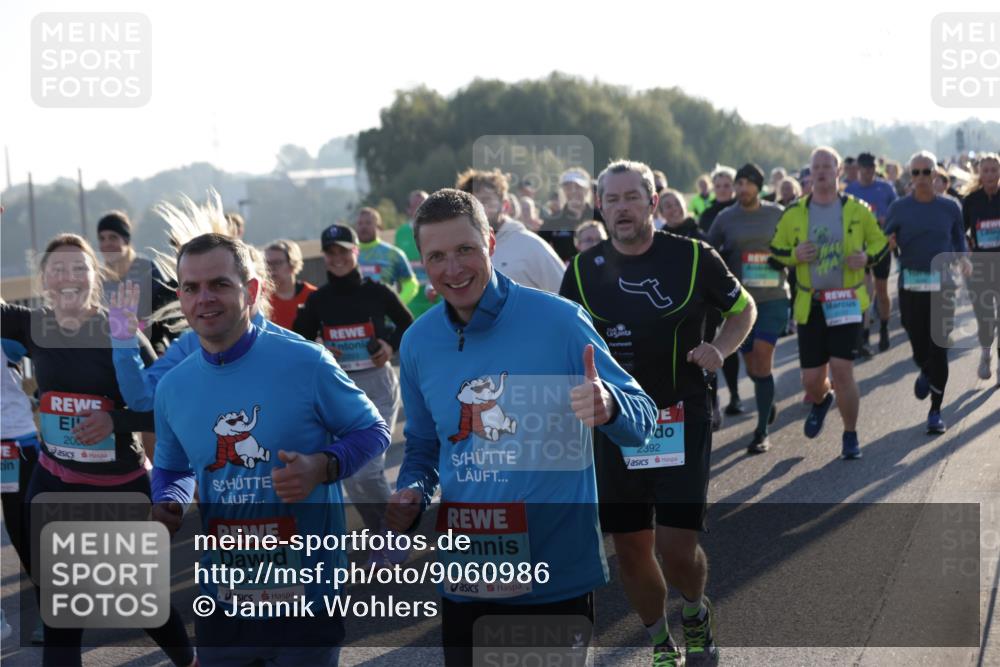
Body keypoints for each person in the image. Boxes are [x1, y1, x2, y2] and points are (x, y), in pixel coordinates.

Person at [383, 188, 656, 667]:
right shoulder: (418, 342)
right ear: (422, 262)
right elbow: (425, 446)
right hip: (468, 573)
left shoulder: (559, 321)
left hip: (552, 572)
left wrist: (609, 405)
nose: (453, 269)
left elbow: (644, 417)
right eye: (437, 256)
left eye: (465, 249)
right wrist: (411, 490)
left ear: (490, 243)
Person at [151, 233, 390, 667]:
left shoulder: (306, 361)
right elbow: (173, 468)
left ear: (253, 290)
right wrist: (168, 500)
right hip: (224, 601)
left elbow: (373, 430)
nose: (204, 298)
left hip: (306, 597)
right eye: (191, 288)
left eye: (219, 284)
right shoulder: (173, 387)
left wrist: (323, 465)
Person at [560, 160, 755, 666]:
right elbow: (558, 341)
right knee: (630, 548)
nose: (622, 208)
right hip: (616, 421)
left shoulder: (692, 258)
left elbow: (743, 308)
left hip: (679, 417)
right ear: (600, 207)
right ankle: (660, 643)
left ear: (652, 201)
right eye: (612, 199)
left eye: (632, 197)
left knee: (674, 547)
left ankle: (694, 608)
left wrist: (720, 347)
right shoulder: (582, 271)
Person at [1, 234, 195, 667]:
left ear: (96, 276)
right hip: (53, 486)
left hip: (119, 489)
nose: (68, 277)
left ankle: (190, 661)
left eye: (79, 268)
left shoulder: (121, 329)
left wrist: (116, 421)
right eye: (58, 269)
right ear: (44, 280)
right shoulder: (33, 324)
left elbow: (158, 411)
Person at [293, 223, 412, 545]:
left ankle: (393, 536)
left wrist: (388, 345)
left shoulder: (376, 291)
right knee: (352, 474)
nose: (337, 258)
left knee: (366, 470)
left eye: (343, 251)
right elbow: (299, 338)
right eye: (330, 253)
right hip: (340, 392)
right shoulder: (320, 300)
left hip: (378, 386)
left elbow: (407, 325)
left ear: (356, 252)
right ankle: (383, 534)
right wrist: (320, 344)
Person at [770, 147, 889, 459]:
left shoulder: (857, 209)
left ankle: (850, 435)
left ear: (838, 171)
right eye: (816, 167)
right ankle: (822, 400)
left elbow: (880, 243)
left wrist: (866, 257)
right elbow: (775, 251)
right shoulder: (795, 212)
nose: (821, 171)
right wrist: (794, 256)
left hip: (846, 301)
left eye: (827, 166)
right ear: (810, 173)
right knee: (811, 381)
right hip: (811, 303)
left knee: (842, 370)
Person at [884, 151, 970, 433]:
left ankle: (935, 410)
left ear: (936, 175)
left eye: (926, 172)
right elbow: (887, 238)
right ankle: (924, 369)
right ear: (911, 176)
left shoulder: (950, 206)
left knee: (940, 346)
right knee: (918, 342)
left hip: (944, 284)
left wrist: (963, 256)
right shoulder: (899, 208)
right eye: (916, 172)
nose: (921, 178)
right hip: (911, 284)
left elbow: (958, 236)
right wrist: (890, 242)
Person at [707, 163, 788, 453]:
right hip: (741, 305)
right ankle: (768, 400)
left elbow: (794, 245)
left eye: (747, 183)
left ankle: (762, 431)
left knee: (762, 358)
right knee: (753, 367)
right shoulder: (725, 218)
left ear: (759, 186)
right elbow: (709, 251)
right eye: (738, 183)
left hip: (774, 297)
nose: (742, 188)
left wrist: (784, 258)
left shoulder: (776, 213)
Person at [456, 168, 566, 292]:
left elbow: (568, 296)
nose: (478, 209)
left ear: (505, 206)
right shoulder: (459, 251)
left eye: (486, 200)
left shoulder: (532, 246)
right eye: (472, 203)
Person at [0, 336, 42, 643]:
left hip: (14, 446)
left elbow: (45, 351)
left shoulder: (5, 333)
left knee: (26, 534)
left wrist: (43, 394)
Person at [96, 210, 178, 353]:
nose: (106, 244)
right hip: (109, 348)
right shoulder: (97, 278)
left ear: (126, 240)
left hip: (149, 346)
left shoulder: (147, 269)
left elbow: (166, 313)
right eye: (102, 239)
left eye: (113, 237)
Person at [846, 152, 898, 353]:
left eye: (872, 169)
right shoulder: (851, 190)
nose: (869, 173)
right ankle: (865, 337)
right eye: (865, 169)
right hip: (860, 248)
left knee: (882, 291)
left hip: (882, 245)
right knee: (865, 292)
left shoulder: (885, 188)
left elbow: (896, 212)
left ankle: (884, 328)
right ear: (858, 169)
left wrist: (889, 226)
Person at [961, 152, 1000, 382]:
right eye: (985, 170)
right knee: (985, 318)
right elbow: (960, 232)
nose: (990, 175)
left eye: (994, 170)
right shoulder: (971, 201)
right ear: (979, 173)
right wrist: (966, 248)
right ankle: (986, 352)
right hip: (980, 267)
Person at [356, 207, 419, 304]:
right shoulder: (348, 254)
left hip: (385, 318)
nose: (363, 227)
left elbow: (411, 284)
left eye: (368, 223)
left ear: (379, 227)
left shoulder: (393, 253)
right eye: (360, 223)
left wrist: (395, 305)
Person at [395, 190, 439, 319]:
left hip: (436, 298)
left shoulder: (440, 231)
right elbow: (399, 267)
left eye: (425, 205)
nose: (422, 209)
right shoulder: (401, 233)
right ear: (409, 210)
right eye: (417, 206)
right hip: (411, 302)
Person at [538, 167, 595, 261]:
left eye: (578, 186)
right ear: (563, 191)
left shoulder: (601, 217)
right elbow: (539, 248)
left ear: (587, 189)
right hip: (563, 273)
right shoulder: (552, 221)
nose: (573, 191)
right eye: (568, 187)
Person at [264, 239, 317, 329]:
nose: (271, 268)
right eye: (267, 263)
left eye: (277, 263)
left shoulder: (312, 295)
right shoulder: (261, 297)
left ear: (292, 265)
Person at [698, 166, 737, 233]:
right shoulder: (707, 215)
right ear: (713, 188)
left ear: (734, 187)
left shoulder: (743, 209)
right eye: (718, 186)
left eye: (726, 186)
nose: (722, 190)